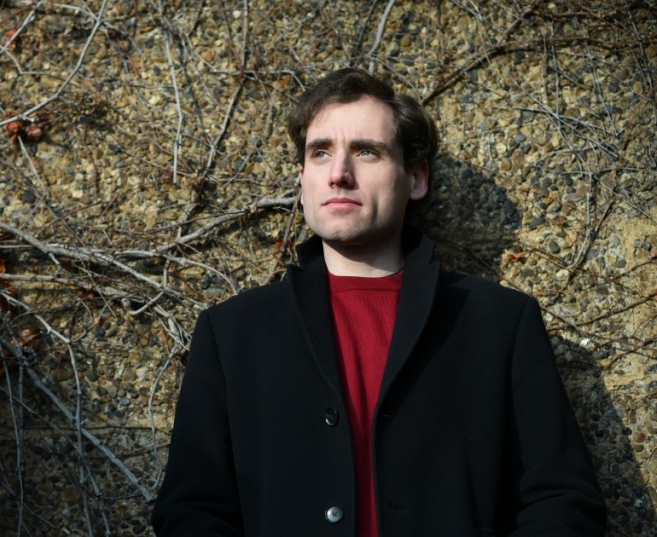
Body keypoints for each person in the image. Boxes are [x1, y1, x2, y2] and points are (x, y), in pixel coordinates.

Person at [151, 68, 606, 536]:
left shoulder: (498, 323)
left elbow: (562, 499)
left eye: (366, 151)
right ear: (302, 181)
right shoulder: (232, 333)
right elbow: (192, 510)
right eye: (320, 152)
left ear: (416, 178)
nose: (339, 174)